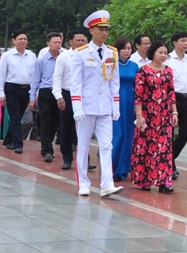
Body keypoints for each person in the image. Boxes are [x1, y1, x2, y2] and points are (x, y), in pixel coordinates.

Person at [70, 10, 123, 198]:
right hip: (86, 106)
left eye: (106, 29)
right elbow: (75, 83)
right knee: (83, 146)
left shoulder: (112, 52)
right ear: (91, 30)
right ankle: (83, 183)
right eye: (100, 29)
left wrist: (115, 106)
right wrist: (77, 107)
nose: (104, 33)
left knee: (106, 145)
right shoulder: (81, 54)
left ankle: (107, 183)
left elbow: (114, 83)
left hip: (105, 106)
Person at [132, 40, 179, 193]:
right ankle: (144, 179)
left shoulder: (168, 71)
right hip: (147, 115)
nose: (163, 55)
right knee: (146, 146)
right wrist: (139, 115)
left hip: (164, 115)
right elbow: (138, 94)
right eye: (160, 52)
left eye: (165, 53)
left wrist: (174, 112)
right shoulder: (143, 71)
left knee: (164, 148)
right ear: (153, 53)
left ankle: (164, 181)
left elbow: (171, 93)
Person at [164, 31, 187, 180]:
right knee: (169, 134)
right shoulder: (168, 59)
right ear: (174, 43)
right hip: (171, 99)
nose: (186, 43)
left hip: (186, 100)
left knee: (185, 134)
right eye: (182, 40)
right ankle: (169, 166)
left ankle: (169, 159)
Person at [53, 30, 90, 170]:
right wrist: (59, 97)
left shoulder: (89, 56)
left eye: (83, 41)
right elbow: (56, 78)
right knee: (67, 128)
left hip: (85, 95)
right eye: (78, 40)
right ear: (70, 41)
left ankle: (85, 159)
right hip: (67, 94)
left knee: (85, 129)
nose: (81, 43)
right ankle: (67, 158)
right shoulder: (63, 58)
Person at [0, 30, 36, 153]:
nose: (23, 41)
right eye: (20, 39)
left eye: (25, 39)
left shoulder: (31, 55)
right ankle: (17, 143)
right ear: (14, 40)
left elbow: (34, 75)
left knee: (18, 116)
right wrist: (1, 94)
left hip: (26, 89)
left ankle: (8, 139)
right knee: (15, 117)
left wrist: (34, 93)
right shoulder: (7, 56)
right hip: (12, 88)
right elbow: (1, 76)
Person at [29, 32, 63, 163]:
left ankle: (47, 143)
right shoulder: (41, 61)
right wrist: (32, 97)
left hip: (59, 93)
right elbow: (35, 80)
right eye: (54, 42)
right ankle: (47, 149)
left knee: (56, 121)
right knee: (45, 121)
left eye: (59, 42)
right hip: (46, 92)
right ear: (48, 43)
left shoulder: (64, 58)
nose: (57, 45)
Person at [112, 37, 138, 181]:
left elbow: (138, 87)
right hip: (115, 101)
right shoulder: (111, 64)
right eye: (124, 48)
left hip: (129, 102)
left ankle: (122, 170)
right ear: (117, 49)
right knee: (118, 135)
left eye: (129, 48)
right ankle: (112, 167)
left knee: (128, 136)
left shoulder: (134, 66)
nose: (127, 51)